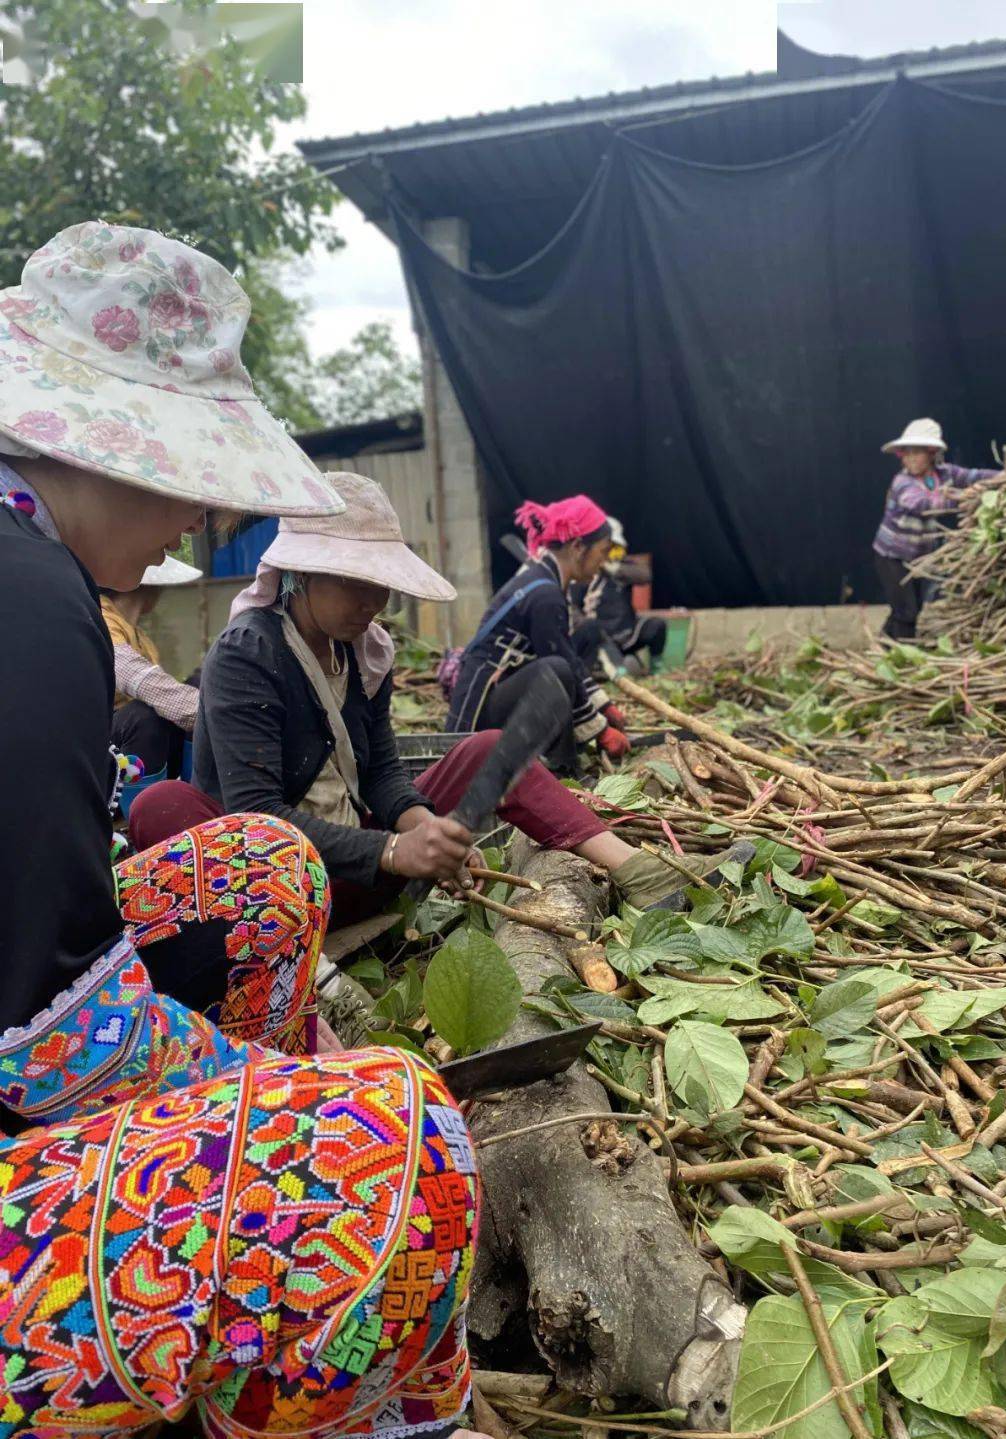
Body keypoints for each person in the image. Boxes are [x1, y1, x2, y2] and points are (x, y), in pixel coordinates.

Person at [0, 220, 479, 1438]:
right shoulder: (77, 613)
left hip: (45, 1001)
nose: (193, 524)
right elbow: (44, 1044)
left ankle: (235, 1252)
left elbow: (372, 781)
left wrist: (413, 817)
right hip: (32, 1049)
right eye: (193, 482)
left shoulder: (354, 660)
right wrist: (290, 1092)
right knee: (399, 1140)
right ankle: (264, 1273)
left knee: (258, 873)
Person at [129, 475, 735, 933]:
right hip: (278, 891)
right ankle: (307, 980)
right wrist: (394, 850)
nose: (376, 601)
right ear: (301, 575)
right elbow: (257, 815)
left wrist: (422, 828)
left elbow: (383, 774)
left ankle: (637, 870)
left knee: (489, 749)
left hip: (361, 869)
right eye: (358, 583)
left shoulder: (365, 653)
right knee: (164, 804)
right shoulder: (248, 655)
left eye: (382, 586)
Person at [446, 496, 631, 771]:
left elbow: (568, 652)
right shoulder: (544, 594)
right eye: (602, 552)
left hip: (503, 689)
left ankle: (566, 745)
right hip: (479, 714)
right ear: (578, 547)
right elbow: (562, 664)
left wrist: (604, 707)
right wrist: (600, 730)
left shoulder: (545, 581)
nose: (603, 562)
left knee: (585, 636)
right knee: (556, 669)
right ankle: (564, 766)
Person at [873, 417, 998, 640]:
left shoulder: (943, 474)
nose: (910, 459)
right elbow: (923, 504)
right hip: (892, 557)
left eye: (916, 453)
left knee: (908, 609)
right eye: (906, 453)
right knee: (907, 612)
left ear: (931, 453)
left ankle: (883, 647)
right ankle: (905, 658)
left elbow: (973, 476)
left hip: (918, 557)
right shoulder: (903, 482)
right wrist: (964, 499)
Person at [101, 551, 202, 778]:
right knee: (143, 714)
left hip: (143, 745)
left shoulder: (141, 637)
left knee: (202, 681)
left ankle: (194, 785)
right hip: (104, 746)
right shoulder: (100, 616)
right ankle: (136, 806)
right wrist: (207, 712)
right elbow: (129, 671)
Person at [570, 517, 667, 676]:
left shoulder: (620, 567)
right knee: (621, 667)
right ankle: (616, 671)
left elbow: (645, 575)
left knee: (656, 625)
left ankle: (657, 670)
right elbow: (573, 606)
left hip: (627, 632)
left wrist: (613, 568)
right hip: (602, 637)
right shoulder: (582, 573)